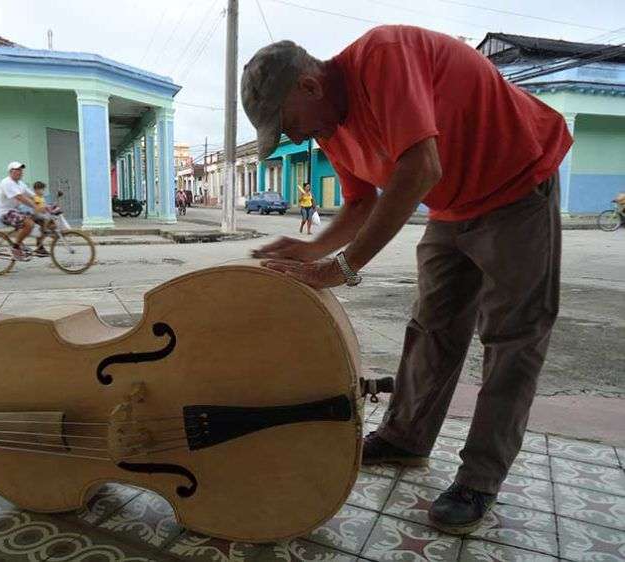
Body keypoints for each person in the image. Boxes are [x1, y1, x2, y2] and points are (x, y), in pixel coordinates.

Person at [242, 26, 572, 535]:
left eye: (287, 123)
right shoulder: (331, 127)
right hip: (453, 203)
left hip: (517, 185)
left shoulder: (384, 56)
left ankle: (479, 478)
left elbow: (420, 166)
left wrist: (343, 267)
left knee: (513, 338)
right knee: (432, 326)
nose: (294, 137)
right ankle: (406, 438)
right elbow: (359, 202)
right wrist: (312, 250)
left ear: (310, 87)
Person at [0, 162, 47, 260]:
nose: (20, 172)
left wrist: (45, 205)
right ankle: (15, 247)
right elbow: (20, 197)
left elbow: (32, 196)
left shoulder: (20, 184)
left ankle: (39, 247)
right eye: (17, 170)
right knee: (29, 224)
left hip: (16, 211)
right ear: (11, 172)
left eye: (21, 170)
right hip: (5, 213)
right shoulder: (6, 182)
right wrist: (35, 206)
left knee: (41, 219)